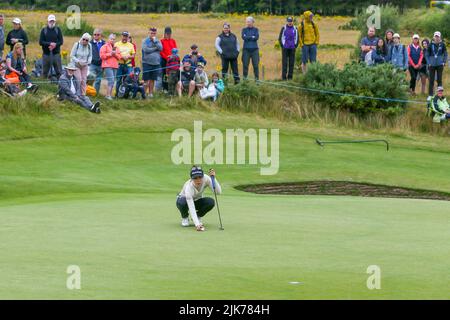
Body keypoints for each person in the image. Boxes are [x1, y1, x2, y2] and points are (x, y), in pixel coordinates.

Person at [176, 166, 222, 232]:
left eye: (200, 177)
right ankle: (185, 217)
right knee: (182, 202)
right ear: (191, 178)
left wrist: (213, 178)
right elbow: (191, 206)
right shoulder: (188, 187)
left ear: (203, 176)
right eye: (195, 178)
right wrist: (197, 224)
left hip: (197, 201)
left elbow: (218, 192)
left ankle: (198, 216)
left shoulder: (206, 179)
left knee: (210, 202)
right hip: (184, 201)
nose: (198, 180)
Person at [39, 14, 64, 80]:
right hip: (46, 54)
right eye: (50, 21)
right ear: (48, 22)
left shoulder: (58, 30)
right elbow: (41, 42)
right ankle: (44, 86)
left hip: (56, 54)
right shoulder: (44, 30)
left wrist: (55, 45)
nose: (52, 23)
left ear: (55, 22)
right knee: (44, 72)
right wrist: (50, 44)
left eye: (53, 21)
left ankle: (60, 85)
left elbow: (61, 41)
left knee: (59, 72)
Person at [425, 31, 447, 100]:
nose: (437, 38)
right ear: (433, 37)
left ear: (440, 37)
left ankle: (439, 95)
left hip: (440, 65)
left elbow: (445, 54)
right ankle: (430, 95)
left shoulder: (442, 44)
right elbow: (426, 55)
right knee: (431, 80)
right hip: (432, 65)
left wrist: (444, 62)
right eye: (435, 36)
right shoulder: (430, 45)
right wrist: (428, 63)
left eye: (438, 36)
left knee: (439, 80)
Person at [100, 34, 122, 100]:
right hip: (107, 65)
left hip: (115, 66)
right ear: (108, 39)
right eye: (111, 39)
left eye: (114, 39)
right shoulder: (104, 46)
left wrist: (115, 54)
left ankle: (109, 95)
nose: (112, 40)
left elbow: (119, 57)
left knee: (113, 81)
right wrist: (110, 54)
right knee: (111, 80)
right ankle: (107, 95)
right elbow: (102, 56)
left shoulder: (116, 47)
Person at [142, 27, 163, 98]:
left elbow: (161, 48)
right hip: (146, 63)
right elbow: (146, 50)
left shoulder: (157, 41)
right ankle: (144, 93)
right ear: (149, 33)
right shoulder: (145, 40)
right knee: (146, 80)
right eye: (151, 33)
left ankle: (150, 93)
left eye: (154, 33)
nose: (153, 34)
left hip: (156, 63)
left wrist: (155, 42)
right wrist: (155, 48)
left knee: (152, 79)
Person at [115, 31, 136, 97]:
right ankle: (117, 94)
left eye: (126, 36)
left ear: (127, 37)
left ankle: (125, 94)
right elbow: (114, 53)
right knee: (118, 80)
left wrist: (128, 56)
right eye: (123, 36)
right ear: (121, 36)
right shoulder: (116, 44)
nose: (124, 37)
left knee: (127, 80)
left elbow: (133, 55)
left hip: (128, 65)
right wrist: (121, 56)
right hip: (119, 64)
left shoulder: (131, 45)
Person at [160, 27, 178, 92]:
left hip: (172, 60)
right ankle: (164, 88)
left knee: (173, 73)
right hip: (165, 60)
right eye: (167, 34)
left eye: (169, 34)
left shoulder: (173, 41)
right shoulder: (162, 41)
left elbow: (175, 49)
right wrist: (167, 57)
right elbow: (161, 52)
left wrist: (173, 56)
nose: (168, 35)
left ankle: (172, 88)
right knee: (165, 74)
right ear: (164, 34)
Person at [90, 28, 105, 95]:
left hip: (101, 64)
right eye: (94, 34)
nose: (96, 36)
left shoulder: (104, 43)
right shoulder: (90, 43)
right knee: (91, 78)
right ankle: (89, 92)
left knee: (98, 80)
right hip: (92, 64)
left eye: (98, 35)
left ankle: (95, 93)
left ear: (101, 35)